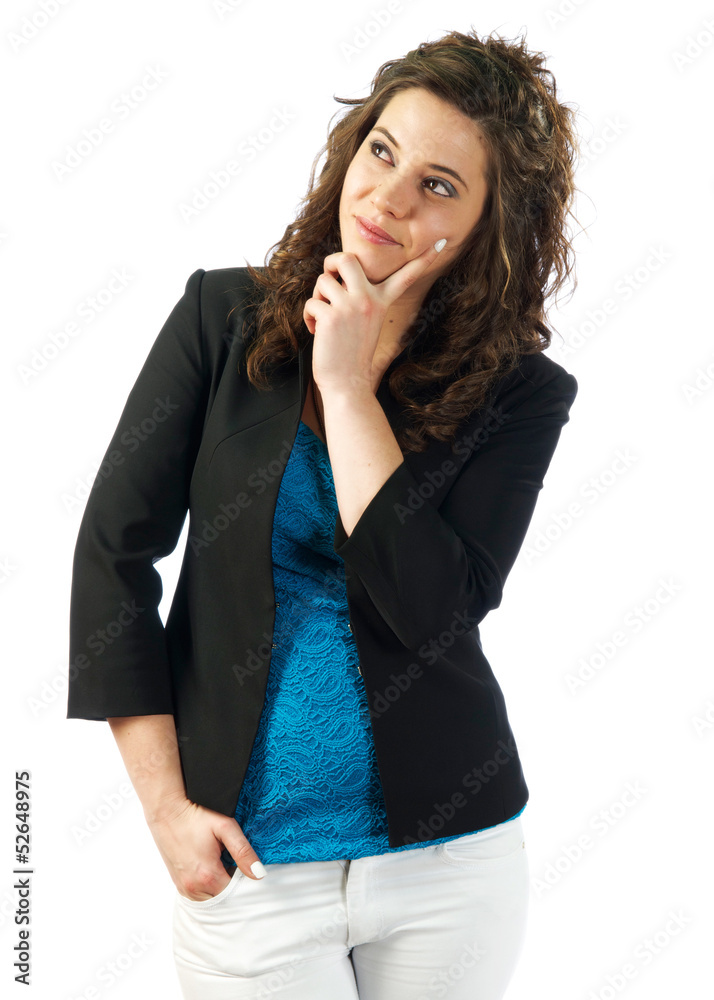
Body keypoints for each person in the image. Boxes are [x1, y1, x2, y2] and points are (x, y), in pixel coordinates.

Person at [67, 26, 579, 1000]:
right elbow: (112, 559)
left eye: (438, 184)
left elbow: (432, 611)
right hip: (250, 864)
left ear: (491, 228)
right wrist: (166, 810)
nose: (386, 198)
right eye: (381, 151)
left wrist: (346, 387)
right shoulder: (221, 322)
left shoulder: (521, 395)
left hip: (450, 867)